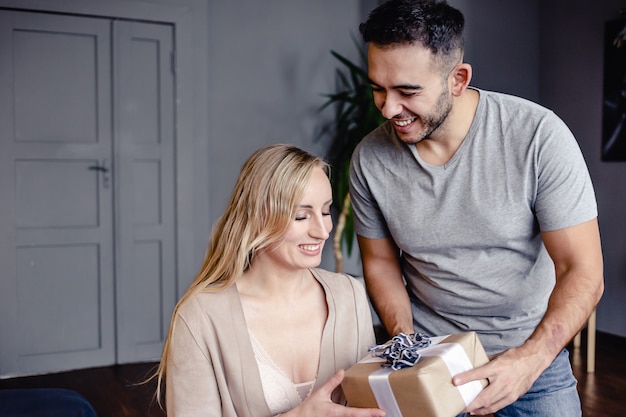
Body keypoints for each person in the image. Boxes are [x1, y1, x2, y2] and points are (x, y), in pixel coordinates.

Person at [349, 1, 604, 416]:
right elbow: (379, 262)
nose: (388, 108)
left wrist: (529, 361)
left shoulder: (538, 136)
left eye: (407, 92)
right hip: (429, 356)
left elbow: (584, 271)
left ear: (458, 79)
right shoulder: (369, 159)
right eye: (378, 88)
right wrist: (409, 348)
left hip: (532, 354)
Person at [154, 144, 385, 417]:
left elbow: (372, 404)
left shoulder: (350, 294)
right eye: (301, 215)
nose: (322, 231)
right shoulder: (200, 317)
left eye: (325, 211)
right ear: (258, 216)